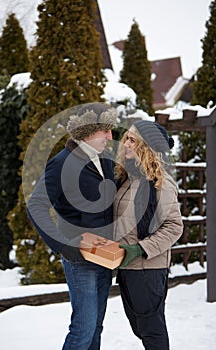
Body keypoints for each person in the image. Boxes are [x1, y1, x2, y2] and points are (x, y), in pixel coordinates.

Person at [27, 102, 117, 350]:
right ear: (87, 130)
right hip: (79, 260)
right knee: (83, 330)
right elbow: (36, 205)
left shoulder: (106, 159)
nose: (111, 136)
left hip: (104, 256)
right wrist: (63, 244)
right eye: (105, 130)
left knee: (96, 327)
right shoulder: (62, 163)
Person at [113, 120, 183, 350]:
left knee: (152, 331)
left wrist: (140, 248)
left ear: (145, 146)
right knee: (139, 327)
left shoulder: (161, 184)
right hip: (127, 267)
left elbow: (174, 226)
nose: (126, 143)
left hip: (147, 267)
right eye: (126, 138)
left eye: (132, 140)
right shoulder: (127, 180)